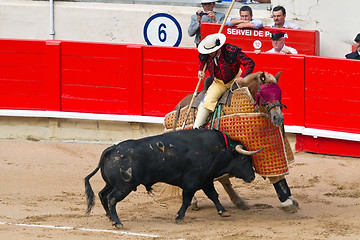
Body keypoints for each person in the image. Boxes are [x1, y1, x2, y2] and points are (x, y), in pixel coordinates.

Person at [193, 33, 255, 128]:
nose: (209, 54)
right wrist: (200, 70)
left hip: (236, 79)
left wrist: (243, 76)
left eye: (212, 51)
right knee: (207, 102)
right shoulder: (206, 53)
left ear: (218, 48)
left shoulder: (230, 51)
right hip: (219, 82)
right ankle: (196, 128)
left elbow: (249, 63)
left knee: (250, 97)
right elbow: (202, 61)